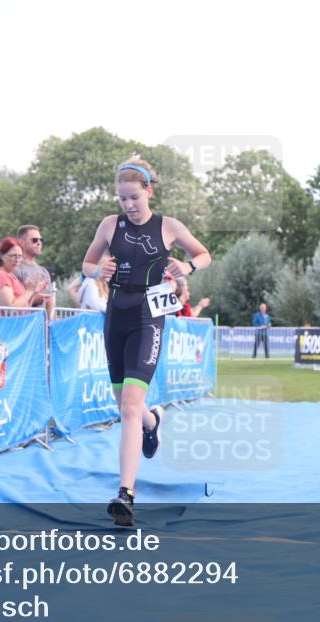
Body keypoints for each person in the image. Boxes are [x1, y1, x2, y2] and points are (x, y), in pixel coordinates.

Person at [81, 158, 211, 525]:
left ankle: (126, 494)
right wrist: (96, 270)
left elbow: (204, 254)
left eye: (134, 197)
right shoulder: (110, 225)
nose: (128, 205)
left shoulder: (168, 226)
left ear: (149, 191)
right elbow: (87, 263)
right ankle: (153, 422)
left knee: (127, 411)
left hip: (148, 316)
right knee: (125, 405)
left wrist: (187, 267)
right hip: (116, 313)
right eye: (122, 199)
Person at [0, 237, 44, 312]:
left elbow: (25, 307)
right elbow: (10, 309)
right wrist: (29, 290)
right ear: (1, 256)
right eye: (13, 256)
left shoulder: (9, 275)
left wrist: (33, 291)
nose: (17, 260)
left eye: (20, 256)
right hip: (4, 323)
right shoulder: (0, 275)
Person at [15, 225, 55, 314]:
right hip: (23, 324)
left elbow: (50, 304)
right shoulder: (16, 269)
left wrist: (52, 325)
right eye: (34, 240)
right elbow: (12, 303)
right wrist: (34, 297)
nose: (39, 243)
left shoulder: (44, 271)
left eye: (41, 240)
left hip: (41, 325)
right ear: (22, 242)